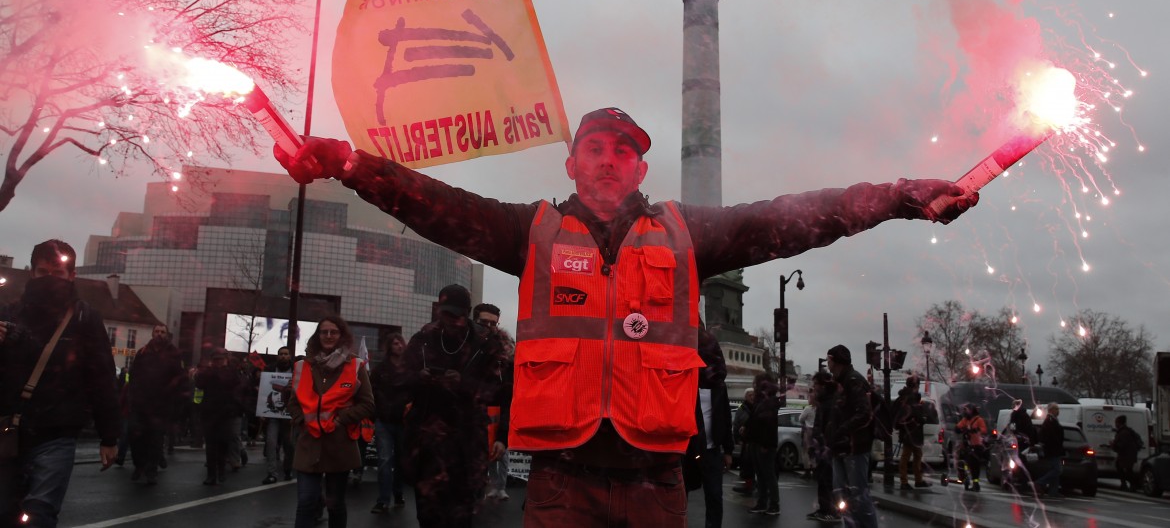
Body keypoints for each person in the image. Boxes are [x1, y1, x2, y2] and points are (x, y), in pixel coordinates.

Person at [275, 106, 975, 526]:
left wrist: (902, 196)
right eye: (596, 148)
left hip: (655, 483)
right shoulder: (534, 231)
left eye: (625, 152)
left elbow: (796, 219)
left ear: (640, 171)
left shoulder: (685, 232)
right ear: (573, 161)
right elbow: (437, 205)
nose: (610, 161)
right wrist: (347, 162)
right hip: (561, 482)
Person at [0, 239, 120, 528]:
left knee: (39, 514)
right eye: (44, 272)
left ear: (72, 275)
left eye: (58, 273)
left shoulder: (84, 318)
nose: (50, 280)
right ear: (32, 272)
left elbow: (101, 376)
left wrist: (109, 436)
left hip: (56, 432)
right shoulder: (9, 313)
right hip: (9, 429)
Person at [397, 285, 504, 528]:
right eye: (445, 313)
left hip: (465, 443)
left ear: (466, 313)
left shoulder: (485, 343)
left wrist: (463, 383)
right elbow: (400, 380)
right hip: (427, 441)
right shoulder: (423, 337)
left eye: (456, 315)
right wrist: (419, 377)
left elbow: (497, 390)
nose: (450, 320)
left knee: (461, 516)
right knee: (427, 516)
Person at [288, 315, 375, 528]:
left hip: (339, 445)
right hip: (309, 444)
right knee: (306, 502)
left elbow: (367, 404)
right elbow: (293, 403)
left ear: (341, 335)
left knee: (335, 504)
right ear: (317, 336)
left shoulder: (355, 365)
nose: (328, 336)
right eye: (324, 332)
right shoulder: (302, 366)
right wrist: (302, 422)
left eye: (333, 332)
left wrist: (341, 421)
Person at [685, 325, 733, 528]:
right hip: (688, 448)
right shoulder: (687, 383)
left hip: (712, 450)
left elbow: (725, 417)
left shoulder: (718, 388)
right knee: (682, 494)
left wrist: (728, 450)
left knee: (714, 497)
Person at [127, 323, 186, 485]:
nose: (159, 334)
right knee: (136, 436)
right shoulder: (143, 352)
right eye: (157, 331)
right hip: (141, 404)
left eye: (162, 332)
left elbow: (180, 379)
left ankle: (151, 470)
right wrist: (132, 396)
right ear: (153, 334)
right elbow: (133, 376)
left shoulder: (174, 354)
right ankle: (139, 464)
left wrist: (175, 403)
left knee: (155, 439)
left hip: (161, 405)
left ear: (166, 335)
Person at [825, 345, 877, 528]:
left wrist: (842, 430)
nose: (827, 364)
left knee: (858, 496)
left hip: (854, 447)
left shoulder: (853, 381)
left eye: (829, 360)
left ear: (836, 361)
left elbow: (864, 413)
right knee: (842, 495)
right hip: (841, 446)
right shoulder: (842, 382)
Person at [473, 302, 514, 502]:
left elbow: (508, 398)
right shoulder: (459, 349)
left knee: (497, 454)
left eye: (493, 324)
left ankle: (497, 487)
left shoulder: (505, 357)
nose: (488, 328)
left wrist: (503, 437)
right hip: (462, 422)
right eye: (483, 322)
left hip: (492, 417)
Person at [370, 333, 408, 513]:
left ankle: (398, 492)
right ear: (389, 347)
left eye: (400, 343)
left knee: (401, 459)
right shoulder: (380, 369)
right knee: (385, 460)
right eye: (395, 343)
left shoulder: (410, 368)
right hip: (384, 419)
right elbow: (372, 391)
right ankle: (383, 499)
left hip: (403, 420)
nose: (399, 346)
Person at [195, 348, 245, 485]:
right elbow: (199, 383)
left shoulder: (231, 372)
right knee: (211, 446)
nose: (218, 362)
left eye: (220, 359)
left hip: (225, 413)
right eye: (216, 359)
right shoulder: (207, 373)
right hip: (210, 413)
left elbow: (235, 384)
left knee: (223, 444)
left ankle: (221, 471)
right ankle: (211, 474)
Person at [744, 373, 780, 517]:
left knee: (768, 475)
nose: (754, 385)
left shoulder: (768, 402)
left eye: (755, 383)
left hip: (763, 443)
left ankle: (773, 504)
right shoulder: (762, 400)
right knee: (761, 474)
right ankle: (763, 502)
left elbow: (769, 424)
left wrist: (766, 443)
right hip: (757, 441)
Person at [806, 372, 840, 523]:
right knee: (822, 480)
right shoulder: (825, 401)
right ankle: (824, 509)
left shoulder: (829, 402)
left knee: (827, 481)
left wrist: (821, 443)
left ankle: (831, 511)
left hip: (826, 447)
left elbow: (827, 426)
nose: (814, 388)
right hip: (822, 446)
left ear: (823, 385)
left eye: (816, 385)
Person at [262, 346, 295, 485]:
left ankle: (287, 470)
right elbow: (264, 392)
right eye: (281, 354)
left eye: (285, 354)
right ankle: (272, 473)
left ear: (289, 356)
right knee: (271, 442)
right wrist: (261, 410)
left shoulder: (297, 371)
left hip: (289, 415)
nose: (283, 356)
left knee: (289, 445)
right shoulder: (269, 369)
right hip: (273, 415)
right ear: (277, 356)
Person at [895, 377, 929, 489]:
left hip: (910, 432)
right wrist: (921, 418)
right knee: (908, 456)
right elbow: (914, 413)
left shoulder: (905, 398)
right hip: (911, 432)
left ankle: (915, 480)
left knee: (914, 456)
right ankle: (906, 481)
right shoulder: (910, 399)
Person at [1034, 403, 1064, 497]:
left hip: (1054, 449)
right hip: (1053, 449)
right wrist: (1056, 443)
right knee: (1057, 469)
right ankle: (1040, 482)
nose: (1058, 411)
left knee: (1055, 469)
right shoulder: (1050, 420)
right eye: (1056, 409)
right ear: (1051, 410)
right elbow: (1051, 436)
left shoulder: (1053, 420)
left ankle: (1053, 491)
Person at [955, 403, 987, 492]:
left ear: (972, 410)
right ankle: (965, 478)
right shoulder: (965, 420)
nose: (965, 412)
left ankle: (975, 483)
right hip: (967, 445)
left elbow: (984, 430)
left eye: (966, 410)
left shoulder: (979, 420)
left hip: (976, 445)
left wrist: (975, 430)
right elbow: (958, 427)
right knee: (963, 462)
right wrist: (959, 429)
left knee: (974, 465)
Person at [1108, 414, 1144, 491]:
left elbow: (1122, 445)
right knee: (1126, 469)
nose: (1115, 424)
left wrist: (1113, 444)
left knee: (1126, 470)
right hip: (1129, 454)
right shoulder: (1125, 431)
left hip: (1126, 455)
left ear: (1119, 423)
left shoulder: (1123, 432)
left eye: (1116, 422)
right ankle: (1128, 485)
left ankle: (1131, 485)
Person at [732, 388, 756, 496]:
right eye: (750, 395)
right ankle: (748, 485)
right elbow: (736, 424)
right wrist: (737, 439)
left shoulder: (757, 407)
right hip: (745, 442)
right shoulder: (741, 409)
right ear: (745, 397)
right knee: (746, 465)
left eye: (753, 395)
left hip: (755, 440)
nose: (752, 397)